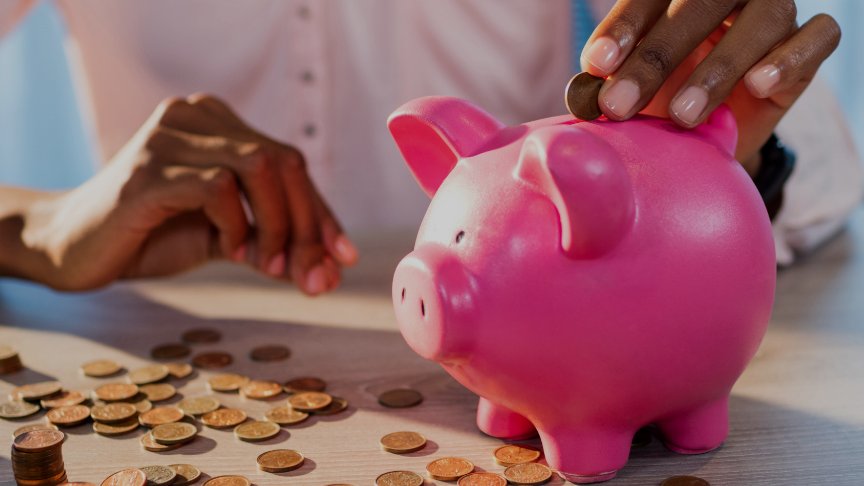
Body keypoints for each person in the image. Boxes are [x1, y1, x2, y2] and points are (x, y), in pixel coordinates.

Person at [0, 0, 857, 292]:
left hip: (557, 329)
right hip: (179, 320)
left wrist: (717, 149)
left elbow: (809, 189)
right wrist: (35, 231)